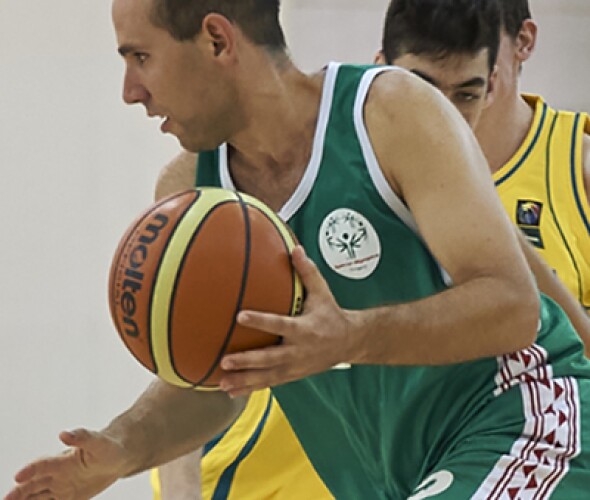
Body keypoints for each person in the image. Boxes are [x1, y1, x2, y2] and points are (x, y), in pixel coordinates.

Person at [6, 0, 590, 499]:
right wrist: (121, 447)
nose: (132, 91)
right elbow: (220, 382)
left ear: (215, 39)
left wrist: (353, 336)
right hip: (403, 476)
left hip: (526, 420)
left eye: (140, 57)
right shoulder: (189, 193)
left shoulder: (387, 113)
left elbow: (514, 307)